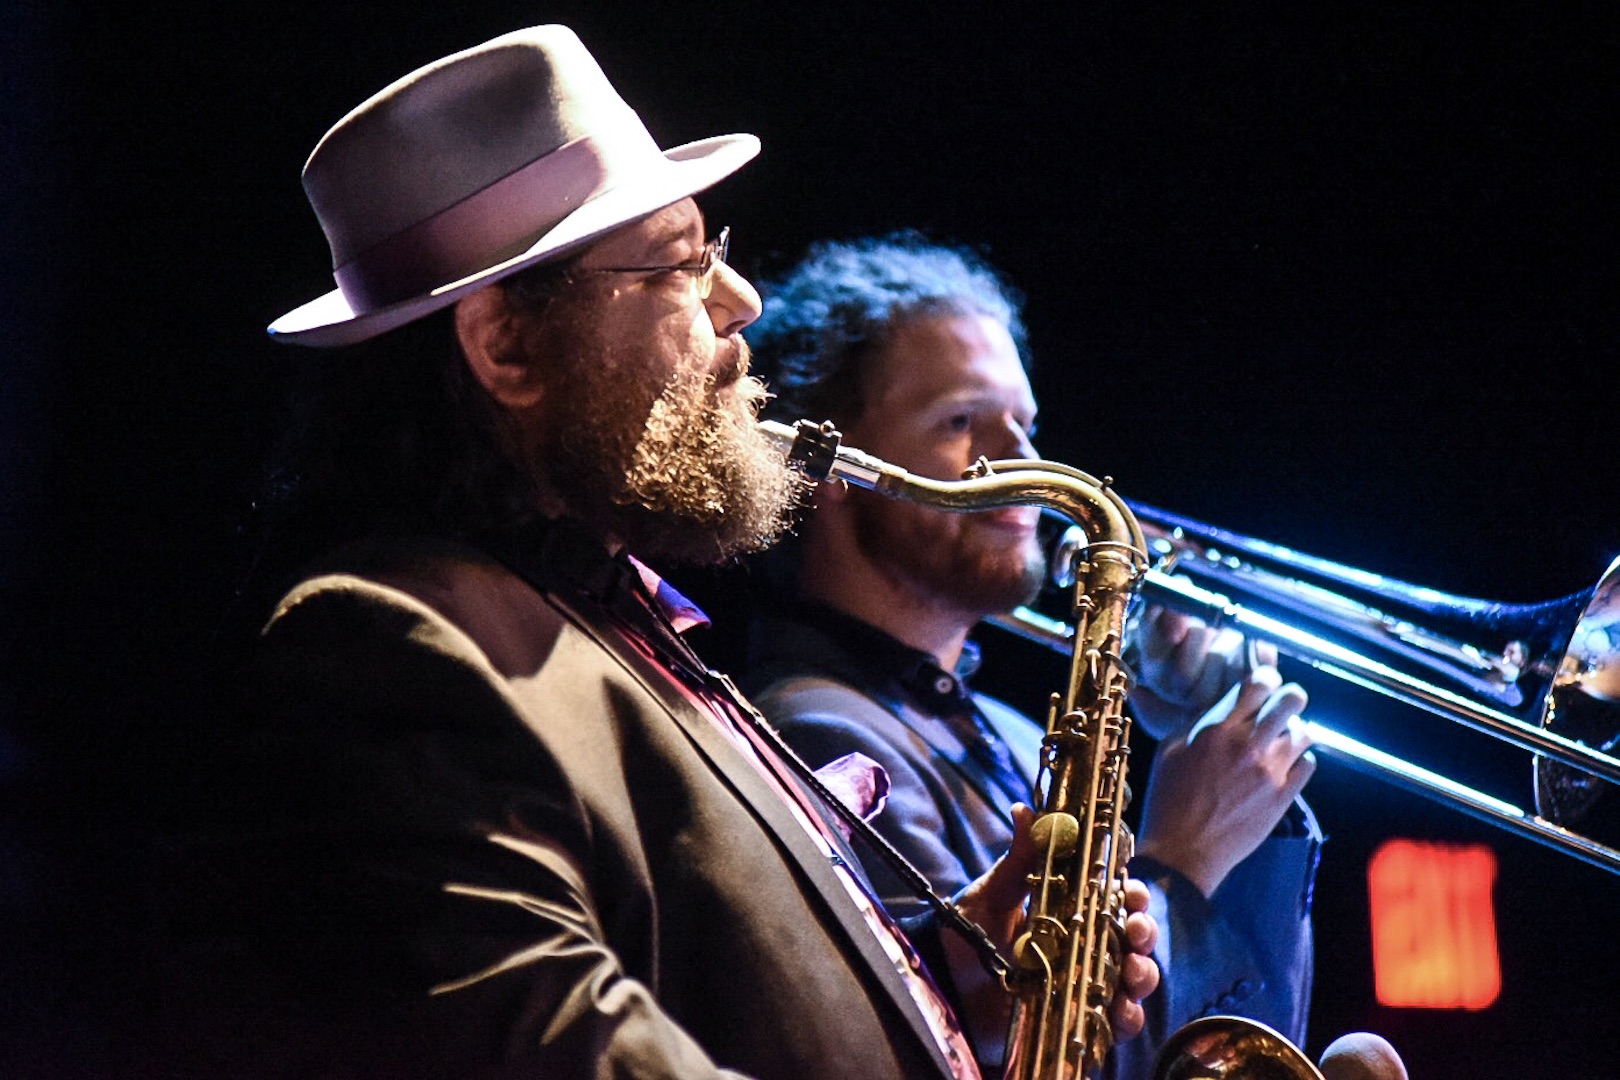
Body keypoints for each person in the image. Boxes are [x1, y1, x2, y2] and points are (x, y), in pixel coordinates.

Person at [155, 26, 1160, 1079]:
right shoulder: (387, 650)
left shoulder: (600, 617)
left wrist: (952, 979)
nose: (740, 305)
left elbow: (722, 992)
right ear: (505, 344)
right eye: (681, 266)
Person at [742, 234, 1323, 1078]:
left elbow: (1235, 1037)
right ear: (835, 463)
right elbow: (960, 1056)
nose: (1024, 462)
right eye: (961, 422)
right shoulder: (811, 730)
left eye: (1026, 424)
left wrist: (1235, 776)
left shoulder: (1012, 736)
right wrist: (1183, 860)